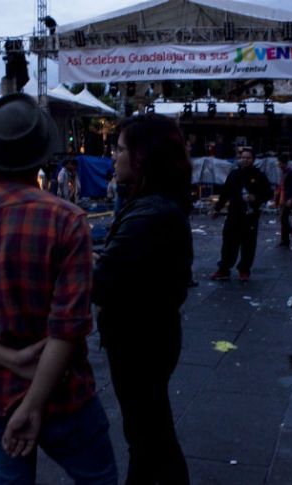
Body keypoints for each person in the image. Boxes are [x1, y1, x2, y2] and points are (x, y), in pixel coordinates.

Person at [0, 93, 117, 485]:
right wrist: (33, 404)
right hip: (65, 394)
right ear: (43, 153)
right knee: (98, 479)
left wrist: (10, 360)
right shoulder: (66, 221)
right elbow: (68, 327)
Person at [93, 113, 192, 484]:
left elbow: (101, 283)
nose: (114, 156)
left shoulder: (151, 213)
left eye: (120, 149)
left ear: (142, 157)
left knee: (149, 436)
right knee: (150, 432)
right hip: (150, 335)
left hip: (139, 341)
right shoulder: (154, 204)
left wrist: (76, 259)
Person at [210, 148, 273, 282]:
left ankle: (244, 270)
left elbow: (269, 193)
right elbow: (225, 193)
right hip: (233, 214)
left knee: (248, 245)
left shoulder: (259, 176)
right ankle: (224, 269)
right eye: (243, 157)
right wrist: (217, 209)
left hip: (250, 216)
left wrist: (256, 198)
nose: (245, 160)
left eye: (248, 158)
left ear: (253, 160)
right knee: (228, 243)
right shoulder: (234, 174)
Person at [274, 155, 292, 248]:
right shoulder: (284, 172)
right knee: (283, 220)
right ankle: (287, 239)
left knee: (284, 219)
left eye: (279, 163)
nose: (278, 164)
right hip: (283, 198)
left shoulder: (291, 172)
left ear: (284, 163)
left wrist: (290, 199)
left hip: (287, 199)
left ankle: (288, 239)